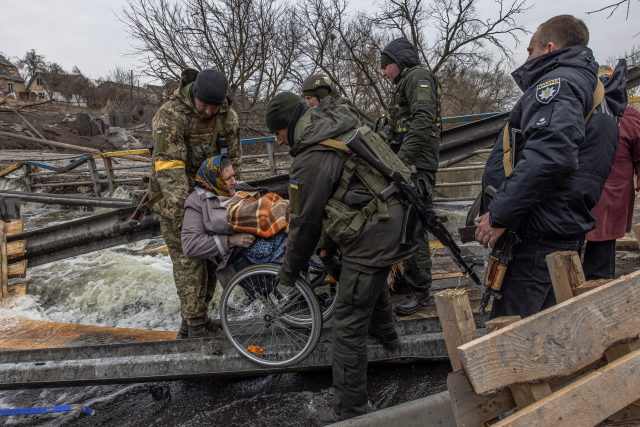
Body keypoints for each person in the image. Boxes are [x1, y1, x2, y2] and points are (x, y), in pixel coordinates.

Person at [265, 91, 422, 424]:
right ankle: (387, 334)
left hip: (378, 232)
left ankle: (348, 410)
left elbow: (304, 223)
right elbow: (337, 194)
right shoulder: (336, 122)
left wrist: (288, 275)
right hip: (399, 220)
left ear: (288, 127)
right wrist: (327, 248)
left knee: (348, 325)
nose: (278, 142)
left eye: (277, 134)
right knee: (362, 271)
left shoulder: (308, 156)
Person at [476, 15, 627, 319]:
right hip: (559, 228)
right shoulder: (597, 93)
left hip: (538, 233)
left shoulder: (560, 84)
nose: (527, 58)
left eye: (530, 50)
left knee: (511, 336)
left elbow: (551, 155)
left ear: (549, 47)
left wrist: (501, 213)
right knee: (548, 330)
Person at [149, 68, 242, 338]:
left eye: (216, 107)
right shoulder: (170, 115)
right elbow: (169, 172)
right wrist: (184, 219)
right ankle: (197, 326)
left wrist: (233, 202)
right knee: (190, 260)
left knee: (213, 258)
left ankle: (191, 322)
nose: (210, 112)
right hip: (175, 200)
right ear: (194, 95)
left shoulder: (227, 117)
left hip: (210, 198)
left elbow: (233, 163)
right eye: (205, 106)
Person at [378, 37, 442, 315]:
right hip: (407, 163)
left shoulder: (418, 77)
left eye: (385, 66)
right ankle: (410, 277)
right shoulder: (404, 83)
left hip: (415, 165)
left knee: (414, 223)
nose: (382, 72)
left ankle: (420, 288)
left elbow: (424, 118)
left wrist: (402, 160)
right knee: (404, 220)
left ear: (398, 62)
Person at [583, 66, 640, 280]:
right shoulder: (580, 111)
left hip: (612, 196)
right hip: (580, 195)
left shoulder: (631, 117)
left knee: (600, 259)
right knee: (565, 254)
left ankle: (598, 296)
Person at [181, 155, 259, 295]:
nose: (233, 181)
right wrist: (230, 240)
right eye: (227, 178)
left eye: (233, 176)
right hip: (238, 255)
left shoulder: (238, 189)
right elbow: (190, 245)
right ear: (214, 180)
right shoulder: (196, 203)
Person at [301, 74, 368, 126]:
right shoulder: (327, 112)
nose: (307, 102)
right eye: (305, 99)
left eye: (309, 98)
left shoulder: (343, 113)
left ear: (321, 96)